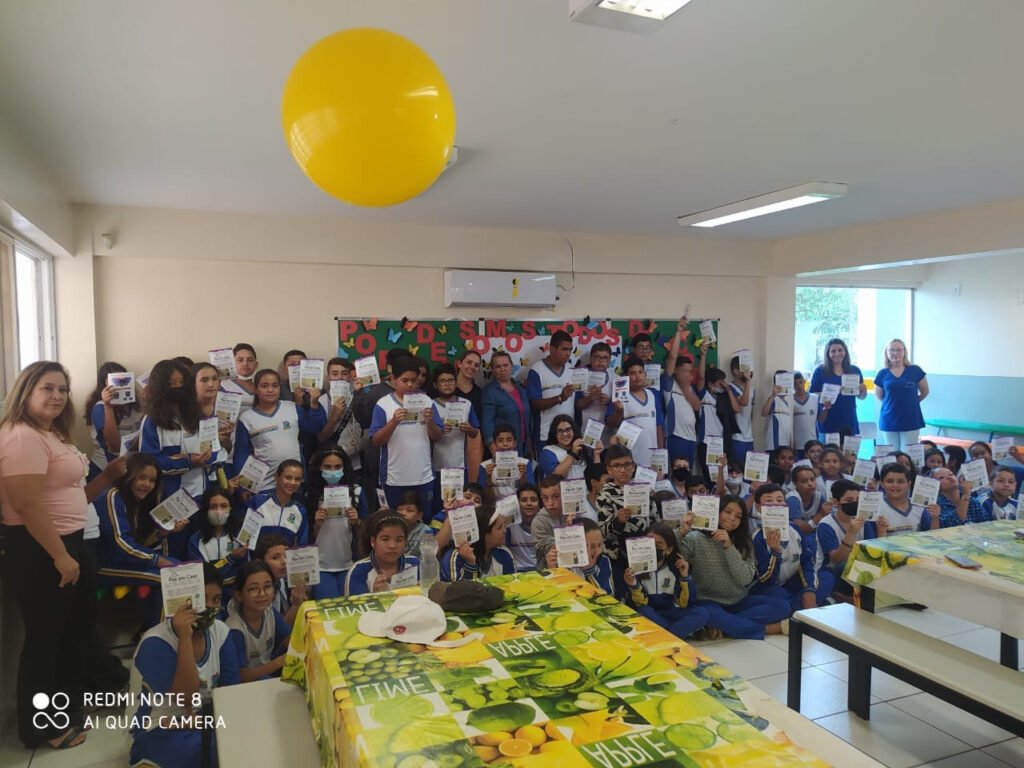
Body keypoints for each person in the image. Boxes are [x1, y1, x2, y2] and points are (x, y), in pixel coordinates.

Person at [0, 361, 127, 749]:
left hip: (69, 541)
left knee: (75, 631)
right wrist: (60, 556)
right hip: (41, 549)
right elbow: (26, 504)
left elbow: (71, 495)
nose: (57, 396)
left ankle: (66, 709)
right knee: (46, 640)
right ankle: (42, 728)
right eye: (47, 388)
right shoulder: (21, 436)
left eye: (62, 389)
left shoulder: (50, 433)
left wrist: (107, 478)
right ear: (26, 391)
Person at [128, 563, 239, 768]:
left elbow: (231, 692)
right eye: (201, 599)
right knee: (217, 748)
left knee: (244, 734)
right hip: (158, 728)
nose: (209, 607)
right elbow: (185, 698)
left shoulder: (221, 631)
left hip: (202, 719)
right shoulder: (155, 642)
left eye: (215, 600)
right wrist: (185, 638)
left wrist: (210, 721)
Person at [682, 495, 791, 639]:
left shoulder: (744, 542)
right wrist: (681, 531)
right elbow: (677, 561)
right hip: (708, 601)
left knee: (783, 607)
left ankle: (724, 627)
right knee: (706, 613)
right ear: (717, 511)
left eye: (738, 516)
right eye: (727, 512)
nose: (732, 518)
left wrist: (729, 547)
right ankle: (769, 629)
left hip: (738, 600)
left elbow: (744, 579)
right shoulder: (695, 538)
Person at [139, 359, 212, 556]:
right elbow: (149, 464)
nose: (178, 388)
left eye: (182, 383)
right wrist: (187, 461)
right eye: (171, 384)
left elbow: (213, 450)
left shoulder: (198, 416)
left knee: (201, 553)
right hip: (171, 501)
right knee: (174, 556)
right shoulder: (152, 421)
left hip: (201, 497)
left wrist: (211, 455)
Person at [95, 453, 174, 626]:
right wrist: (156, 560)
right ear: (128, 475)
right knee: (169, 578)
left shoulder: (137, 501)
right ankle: (157, 635)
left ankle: (158, 628)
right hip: (106, 563)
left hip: (125, 560)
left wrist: (161, 534)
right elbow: (120, 545)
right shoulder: (112, 496)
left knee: (180, 567)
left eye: (152, 480)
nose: (147, 484)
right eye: (142, 478)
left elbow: (139, 544)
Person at [232, 369, 326, 493]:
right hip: (264, 485)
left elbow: (315, 427)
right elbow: (241, 455)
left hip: (295, 482)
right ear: (255, 389)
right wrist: (243, 488)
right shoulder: (246, 418)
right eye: (264, 386)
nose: (270, 390)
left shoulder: (292, 407)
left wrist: (314, 403)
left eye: (275, 385)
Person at [370, 356, 443, 509]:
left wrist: (430, 422)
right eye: (405, 380)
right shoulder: (383, 404)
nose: (410, 385)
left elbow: (437, 437)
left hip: (423, 476)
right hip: (393, 478)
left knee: (423, 518)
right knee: (395, 519)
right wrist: (393, 422)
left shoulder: (427, 401)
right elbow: (376, 441)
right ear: (393, 379)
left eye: (414, 380)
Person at [750, 484, 832, 611]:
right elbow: (765, 579)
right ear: (758, 507)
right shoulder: (757, 537)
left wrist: (809, 590)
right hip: (770, 587)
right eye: (769, 501)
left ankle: (801, 606)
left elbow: (806, 561)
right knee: (781, 600)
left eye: (779, 500)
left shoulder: (795, 529)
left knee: (827, 578)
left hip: (791, 580)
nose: (775, 505)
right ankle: (801, 609)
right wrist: (775, 552)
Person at [623, 521, 709, 639]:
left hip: (669, 613)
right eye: (649, 544)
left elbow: (685, 604)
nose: (653, 549)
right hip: (649, 614)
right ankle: (673, 635)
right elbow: (638, 604)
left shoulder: (675, 569)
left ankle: (665, 635)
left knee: (702, 613)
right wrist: (633, 584)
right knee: (643, 611)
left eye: (658, 545)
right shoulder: (635, 570)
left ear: (668, 550)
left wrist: (684, 577)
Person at [308, 447, 366, 599]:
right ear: (319, 467)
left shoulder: (357, 492)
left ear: (344, 467)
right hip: (320, 566)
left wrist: (356, 522)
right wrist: (317, 524)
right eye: (328, 467)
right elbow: (304, 537)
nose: (333, 471)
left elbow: (367, 533)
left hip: (349, 564)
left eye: (337, 467)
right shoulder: (311, 494)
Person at [816, 479, 888, 598]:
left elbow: (873, 551)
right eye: (849, 500)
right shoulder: (826, 525)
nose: (854, 503)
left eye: (858, 500)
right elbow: (836, 560)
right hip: (831, 571)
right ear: (836, 501)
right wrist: (851, 533)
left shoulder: (863, 521)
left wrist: (881, 533)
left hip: (859, 567)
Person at [226, 560, 291, 682]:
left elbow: (289, 640)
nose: (262, 594)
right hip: (250, 685)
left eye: (267, 587)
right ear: (239, 595)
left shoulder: (270, 612)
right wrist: (280, 661)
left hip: (268, 672)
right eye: (253, 589)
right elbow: (243, 676)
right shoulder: (235, 629)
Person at [595, 445, 651, 572]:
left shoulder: (644, 490)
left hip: (643, 552)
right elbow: (602, 532)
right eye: (617, 466)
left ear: (633, 466)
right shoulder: (605, 495)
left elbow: (654, 520)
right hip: (617, 558)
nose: (623, 470)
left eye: (627, 464)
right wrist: (618, 521)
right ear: (609, 470)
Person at [84, 361, 143, 480]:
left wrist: (149, 401)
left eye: (124, 380)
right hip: (104, 467)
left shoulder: (135, 405)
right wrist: (108, 406)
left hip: (129, 464)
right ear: (105, 384)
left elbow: (144, 437)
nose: (120, 385)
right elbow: (114, 446)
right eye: (115, 381)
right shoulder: (100, 408)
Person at [606, 355, 664, 469]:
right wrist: (618, 412)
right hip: (629, 459)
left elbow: (658, 426)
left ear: (645, 374)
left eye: (640, 372)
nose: (637, 376)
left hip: (652, 458)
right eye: (633, 373)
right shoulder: (620, 396)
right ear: (625, 377)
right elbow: (610, 423)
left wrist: (660, 455)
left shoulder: (653, 395)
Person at [345, 510, 421, 595]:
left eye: (399, 540)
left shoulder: (415, 564)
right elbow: (354, 603)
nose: (392, 546)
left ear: (406, 542)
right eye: (385, 539)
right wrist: (376, 596)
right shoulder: (359, 571)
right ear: (373, 541)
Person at [873, 339, 928, 451]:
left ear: (904, 352)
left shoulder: (915, 370)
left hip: (911, 418)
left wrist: (912, 402)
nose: (895, 353)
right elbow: (880, 397)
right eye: (892, 350)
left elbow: (925, 392)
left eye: (899, 350)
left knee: (908, 454)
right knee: (892, 455)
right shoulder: (882, 373)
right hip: (889, 418)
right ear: (887, 353)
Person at [187, 487, 244, 596]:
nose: (219, 511)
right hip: (208, 596)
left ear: (231, 508)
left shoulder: (240, 536)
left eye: (224, 506)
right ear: (205, 510)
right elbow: (205, 575)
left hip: (236, 594)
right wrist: (230, 559)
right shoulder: (195, 540)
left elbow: (244, 570)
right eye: (213, 507)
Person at [527, 330, 576, 456]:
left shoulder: (572, 370)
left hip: (568, 435)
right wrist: (560, 398)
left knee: (568, 467)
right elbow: (534, 404)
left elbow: (577, 404)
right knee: (547, 468)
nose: (568, 353)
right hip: (545, 434)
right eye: (564, 349)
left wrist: (592, 397)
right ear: (552, 349)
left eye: (570, 350)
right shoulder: (536, 370)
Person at [431, 362, 481, 484]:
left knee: (460, 496)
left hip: (460, 465)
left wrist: (469, 429)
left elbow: (474, 433)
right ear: (435, 385)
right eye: (442, 381)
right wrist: (438, 431)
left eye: (450, 380)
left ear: (456, 382)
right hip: (434, 467)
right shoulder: (430, 405)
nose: (447, 384)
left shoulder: (466, 404)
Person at [316, 357, 365, 480]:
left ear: (350, 377)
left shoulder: (357, 399)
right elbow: (321, 438)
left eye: (344, 373)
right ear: (328, 377)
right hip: (330, 465)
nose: (340, 377)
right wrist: (334, 417)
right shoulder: (321, 401)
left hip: (355, 462)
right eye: (335, 374)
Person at [662, 319, 701, 467]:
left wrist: (686, 389)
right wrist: (679, 332)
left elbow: (697, 406)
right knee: (676, 472)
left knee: (688, 474)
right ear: (675, 371)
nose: (688, 374)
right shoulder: (669, 384)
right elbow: (672, 358)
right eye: (684, 370)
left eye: (690, 371)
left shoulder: (690, 388)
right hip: (676, 436)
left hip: (691, 437)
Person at [810, 338, 866, 438]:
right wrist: (833, 392)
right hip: (827, 419)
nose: (837, 353)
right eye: (833, 351)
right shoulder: (820, 371)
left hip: (849, 420)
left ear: (845, 352)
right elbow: (812, 395)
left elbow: (861, 397)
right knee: (827, 448)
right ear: (828, 353)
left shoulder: (854, 370)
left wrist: (863, 391)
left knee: (848, 448)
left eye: (840, 350)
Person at [439, 506, 515, 580]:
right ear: (483, 533)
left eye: (504, 526)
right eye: (499, 527)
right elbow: (459, 588)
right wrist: (470, 564)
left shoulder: (504, 554)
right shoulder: (456, 557)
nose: (505, 531)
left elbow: (512, 585)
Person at [245, 459, 308, 546]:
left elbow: (302, 546)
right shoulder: (258, 501)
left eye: (297, 479)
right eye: (288, 477)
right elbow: (245, 538)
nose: (292, 482)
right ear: (276, 477)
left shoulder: (301, 511)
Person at [481, 350, 532, 455]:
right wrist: (492, 445)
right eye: (498, 366)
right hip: (504, 448)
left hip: (524, 445)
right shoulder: (489, 392)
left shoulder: (521, 388)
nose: (502, 369)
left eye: (505, 365)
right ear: (492, 369)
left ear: (511, 366)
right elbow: (487, 422)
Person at [478, 423, 533, 501]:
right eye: (500, 441)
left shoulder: (524, 463)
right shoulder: (485, 466)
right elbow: (483, 497)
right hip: (495, 504)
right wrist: (489, 478)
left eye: (509, 440)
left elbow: (531, 492)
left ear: (515, 443)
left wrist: (523, 477)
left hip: (518, 504)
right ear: (495, 444)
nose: (505, 444)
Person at [877, 463, 937, 533]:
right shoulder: (876, 508)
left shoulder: (919, 507)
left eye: (900, 482)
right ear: (882, 484)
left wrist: (935, 518)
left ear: (909, 484)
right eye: (890, 481)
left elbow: (932, 535)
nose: (895, 485)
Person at [194, 362, 234, 455]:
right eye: (204, 380)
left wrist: (226, 436)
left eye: (215, 379)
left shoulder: (223, 410)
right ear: (193, 383)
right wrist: (212, 439)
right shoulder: (183, 412)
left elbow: (225, 448)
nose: (211, 384)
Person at [531, 475, 572, 566]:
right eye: (545, 498)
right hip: (549, 570)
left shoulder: (575, 514)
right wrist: (568, 530)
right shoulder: (539, 522)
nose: (550, 503)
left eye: (555, 497)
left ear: (565, 494)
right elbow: (553, 550)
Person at [576, 342, 612, 437]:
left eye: (605, 358)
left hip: (608, 432)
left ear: (609, 360)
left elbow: (620, 407)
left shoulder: (616, 379)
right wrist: (591, 398)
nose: (601, 361)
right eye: (597, 357)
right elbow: (576, 405)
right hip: (584, 430)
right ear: (591, 359)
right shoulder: (580, 376)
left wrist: (608, 402)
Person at [539, 415, 590, 481]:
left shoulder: (582, 447)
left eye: (568, 430)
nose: (565, 434)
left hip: (583, 487)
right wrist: (573, 454)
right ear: (554, 433)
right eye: (560, 431)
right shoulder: (548, 451)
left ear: (574, 430)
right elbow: (556, 477)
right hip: (561, 487)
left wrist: (596, 454)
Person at [727, 355, 755, 465]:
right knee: (737, 468)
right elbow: (744, 402)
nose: (749, 371)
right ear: (736, 371)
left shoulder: (752, 389)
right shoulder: (730, 387)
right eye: (745, 368)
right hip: (737, 437)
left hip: (749, 437)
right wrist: (748, 381)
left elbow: (751, 412)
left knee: (749, 470)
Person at [218, 342, 259, 415]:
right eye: (240, 360)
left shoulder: (263, 386)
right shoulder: (223, 386)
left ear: (256, 364)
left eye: (250, 360)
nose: (245, 363)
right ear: (232, 363)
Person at [506, 483, 540, 571]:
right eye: (524, 500)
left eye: (533, 500)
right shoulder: (509, 524)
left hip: (540, 570)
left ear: (539, 503)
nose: (529, 503)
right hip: (516, 571)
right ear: (517, 503)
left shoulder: (544, 523)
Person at [786, 465, 828, 535]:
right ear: (795, 483)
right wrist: (820, 515)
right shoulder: (792, 500)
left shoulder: (819, 496)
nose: (810, 484)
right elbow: (800, 530)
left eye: (812, 479)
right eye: (804, 481)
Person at [761, 370, 793, 452]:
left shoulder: (787, 403)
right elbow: (764, 413)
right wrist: (772, 396)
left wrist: (790, 443)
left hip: (785, 444)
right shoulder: (773, 399)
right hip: (774, 445)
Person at [396, 490, 434, 555]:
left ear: (419, 516)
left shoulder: (425, 532)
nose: (403, 513)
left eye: (409, 510)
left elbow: (427, 557)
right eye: (400, 509)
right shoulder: (392, 528)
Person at [790, 373, 819, 459]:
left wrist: (826, 409)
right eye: (795, 384)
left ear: (805, 382)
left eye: (800, 382)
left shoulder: (815, 398)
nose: (799, 386)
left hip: (812, 442)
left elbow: (821, 419)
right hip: (796, 443)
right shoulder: (789, 400)